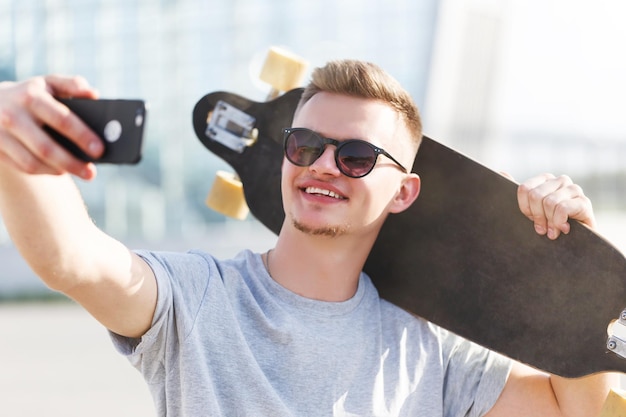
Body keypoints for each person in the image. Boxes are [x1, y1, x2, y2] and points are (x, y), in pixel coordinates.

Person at [0, 61, 619, 417]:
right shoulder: (197, 301)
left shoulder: (427, 352)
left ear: (403, 192)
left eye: (355, 155)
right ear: (283, 158)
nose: (323, 165)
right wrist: (13, 136)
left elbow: (576, 412)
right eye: (306, 145)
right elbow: (71, 257)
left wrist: (570, 278)